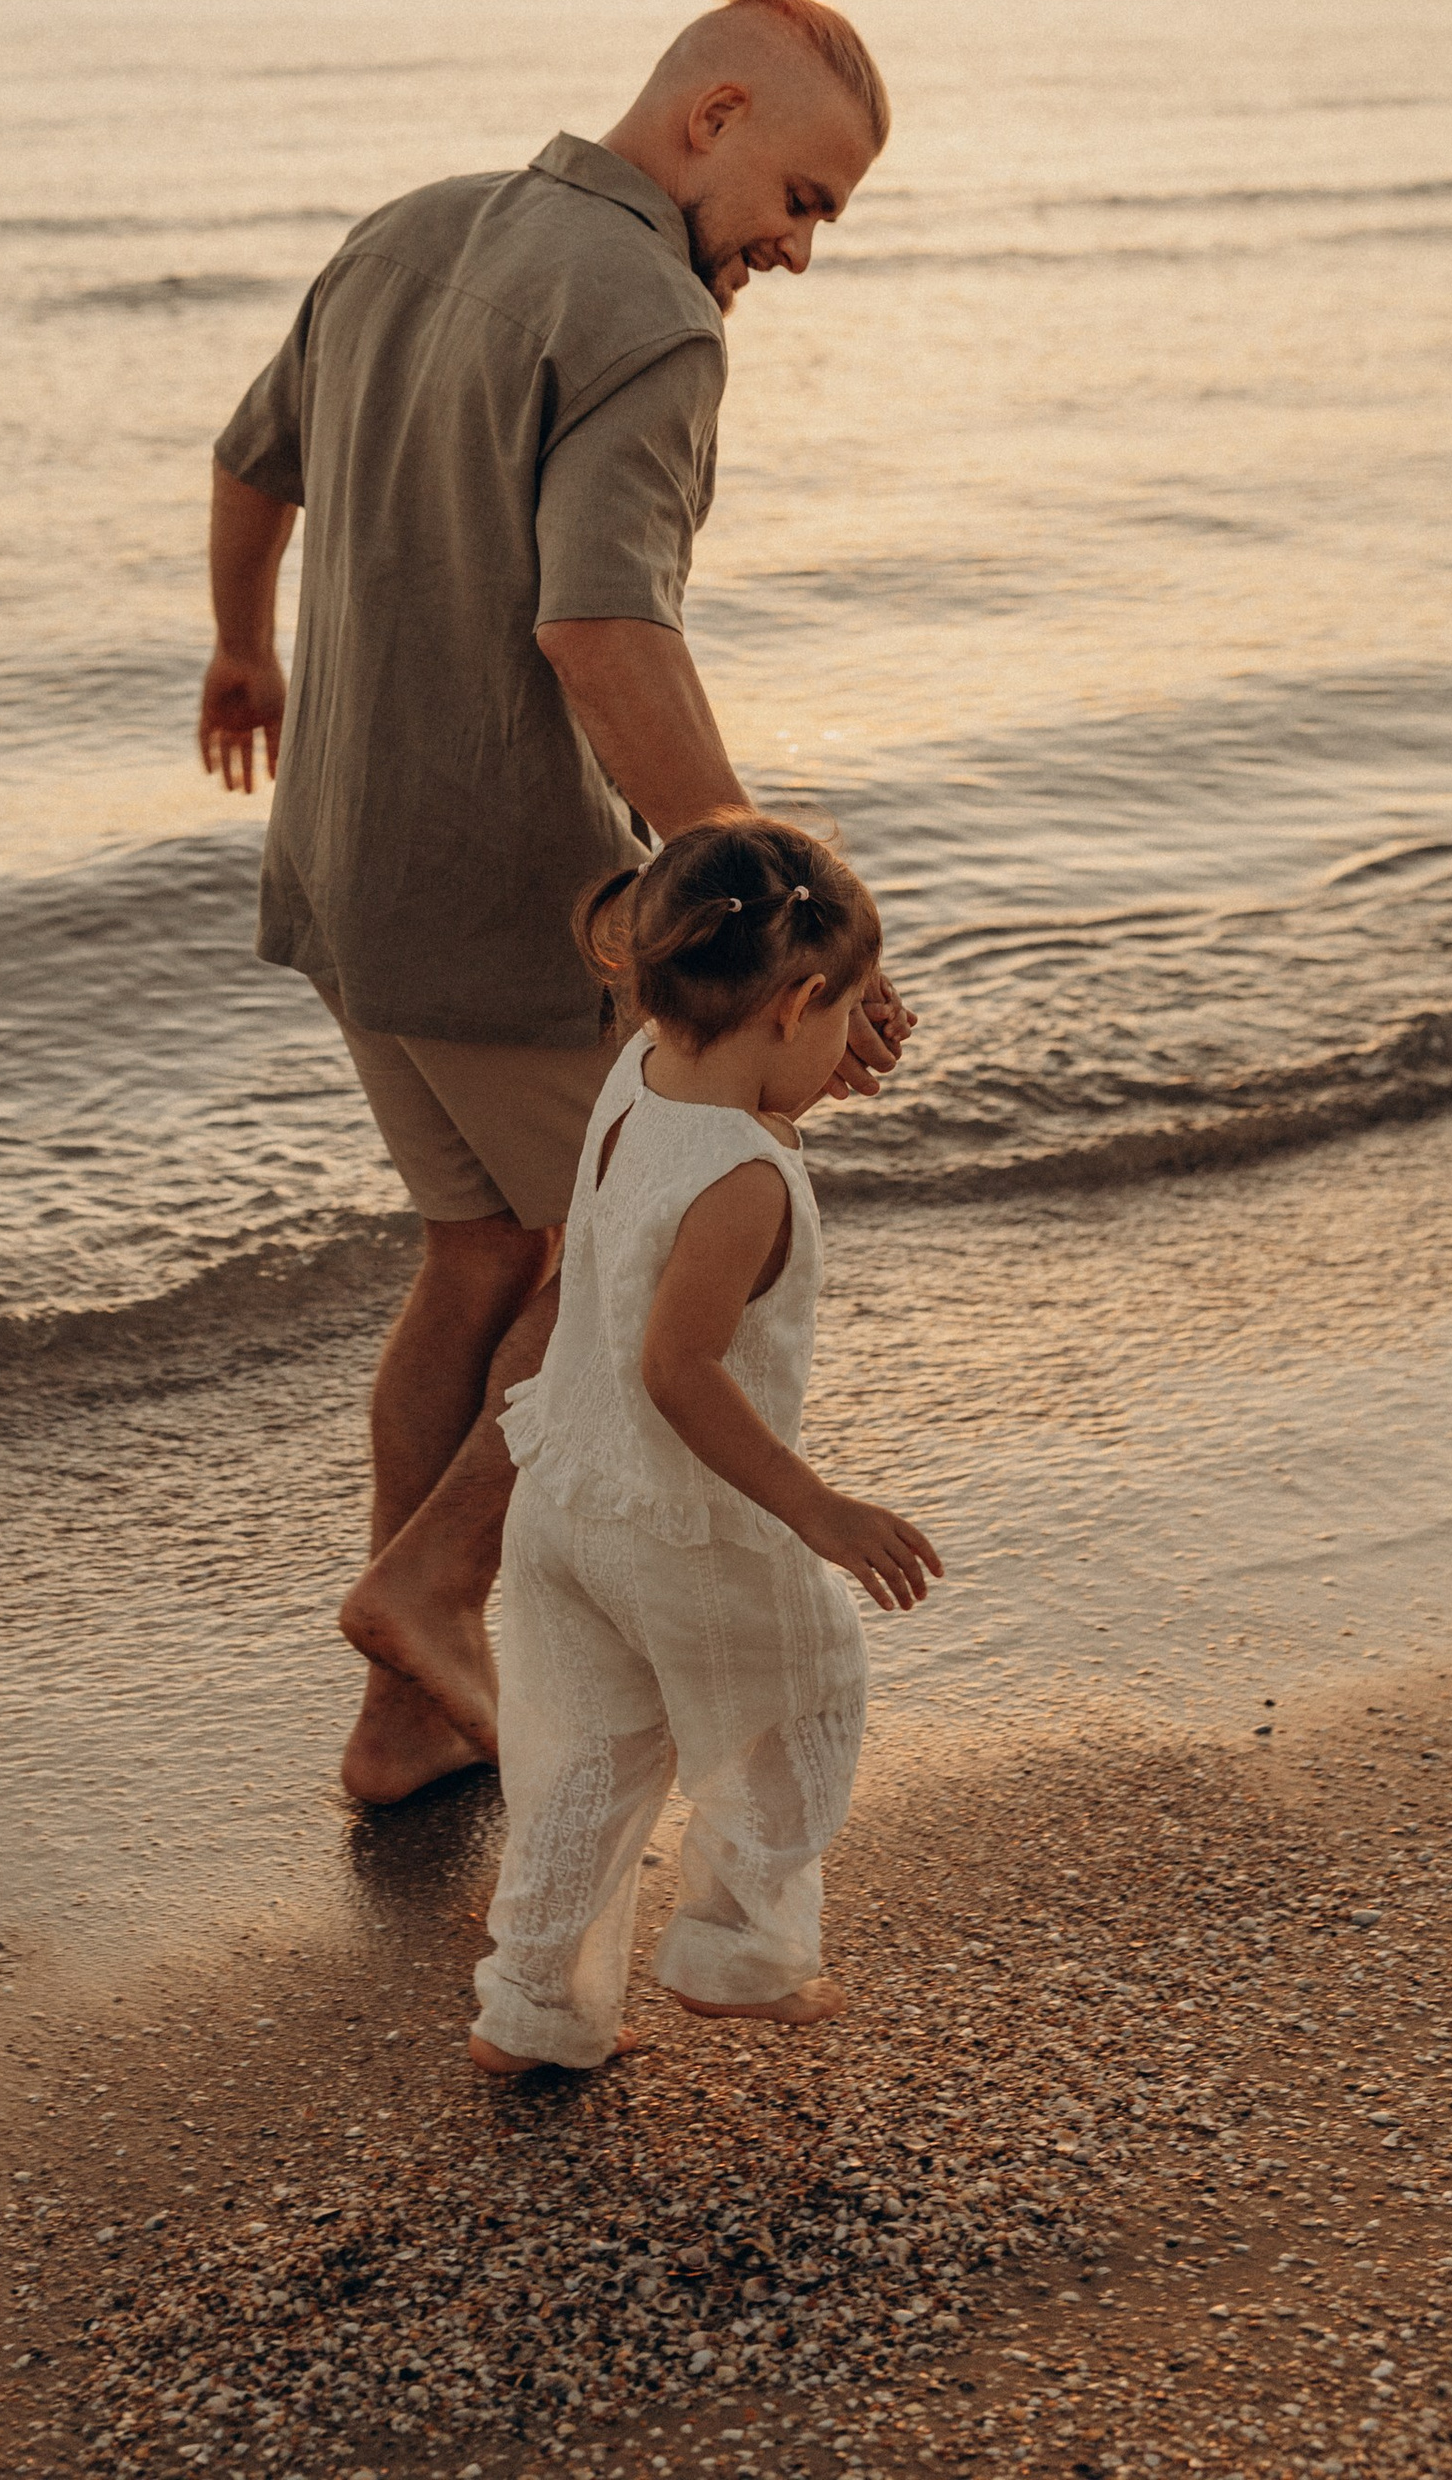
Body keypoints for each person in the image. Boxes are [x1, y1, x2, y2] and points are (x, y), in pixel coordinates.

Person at [199, 0, 911, 1806]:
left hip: (346, 877)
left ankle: (402, 1710)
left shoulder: (404, 234)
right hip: (519, 888)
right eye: (804, 201)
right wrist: (784, 913)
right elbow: (602, 625)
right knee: (646, 1263)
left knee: (482, 1255)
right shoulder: (654, 317)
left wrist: (240, 655)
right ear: (714, 120)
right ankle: (433, 1587)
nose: (800, 252)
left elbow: (245, 459)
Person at [469, 817, 940, 2076]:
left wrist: (790, 1072)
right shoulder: (746, 1182)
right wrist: (819, 1510)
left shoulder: (639, 1071)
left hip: (561, 1497)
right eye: (845, 1017)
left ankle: (532, 2011)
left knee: (583, 1766)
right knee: (802, 1697)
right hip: (691, 1527)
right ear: (796, 1004)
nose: (854, 1048)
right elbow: (675, 1371)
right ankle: (737, 1952)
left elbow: (720, 1119)